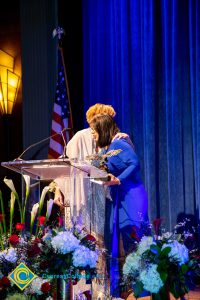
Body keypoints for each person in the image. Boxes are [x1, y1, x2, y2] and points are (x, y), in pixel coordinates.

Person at [89, 114, 149, 297]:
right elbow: (97, 166)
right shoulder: (107, 149)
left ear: (103, 129)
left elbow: (135, 163)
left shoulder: (119, 144)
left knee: (134, 240)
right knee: (120, 240)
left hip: (131, 197)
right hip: (119, 198)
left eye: (94, 130)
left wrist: (118, 179)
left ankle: (145, 288)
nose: (92, 134)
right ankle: (126, 287)